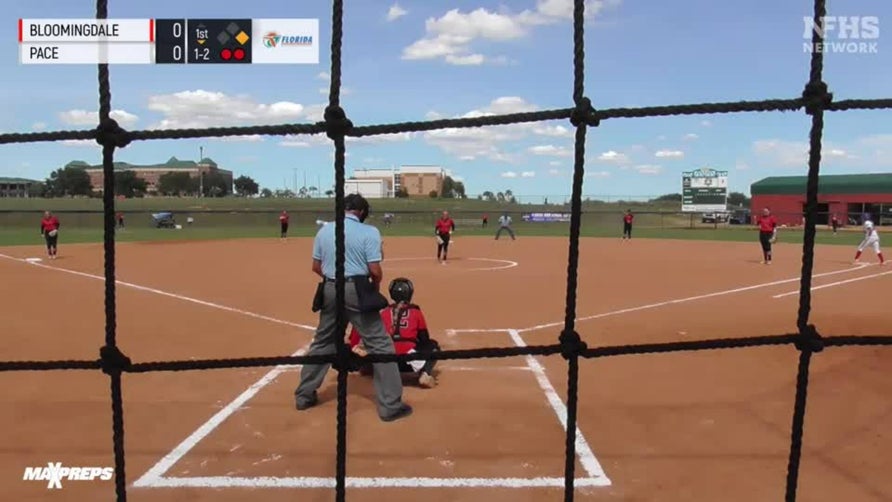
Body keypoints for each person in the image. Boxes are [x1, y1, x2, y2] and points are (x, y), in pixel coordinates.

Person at [294, 193, 412, 422]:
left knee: (323, 342)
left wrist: (334, 280)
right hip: (356, 288)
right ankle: (390, 406)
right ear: (362, 212)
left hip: (329, 288)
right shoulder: (369, 232)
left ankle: (304, 396)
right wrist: (373, 286)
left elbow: (316, 266)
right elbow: (375, 270)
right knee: (380, 344)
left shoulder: (325, 231)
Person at [348, 277, 440, 388]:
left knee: (373, 346)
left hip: (387, 362)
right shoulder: (416, 312)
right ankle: (425, 373)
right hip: (407, 362)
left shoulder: (384, 312)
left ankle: (369, 368)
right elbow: (424, 339)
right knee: (433, 346)